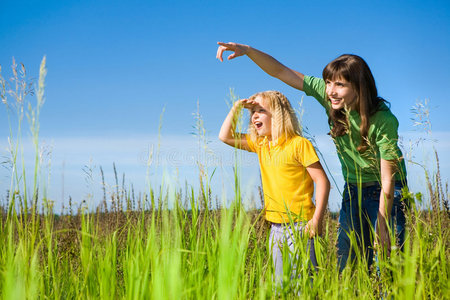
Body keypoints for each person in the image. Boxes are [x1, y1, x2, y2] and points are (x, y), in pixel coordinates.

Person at [216, 42, 408, 272]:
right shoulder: (329, 98)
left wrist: (383, 225)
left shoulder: (383, 120)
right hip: (353, 187)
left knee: (386, 262)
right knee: (346, 264)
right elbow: (281, 71)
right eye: (328, 83)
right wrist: (247, 51)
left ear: (360, 87)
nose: (330, 91)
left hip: (386, 190)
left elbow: (388, 179)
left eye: (340, 85)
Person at [219, 90, 330, 288]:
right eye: (252, 111)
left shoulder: (299, 144)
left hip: (301, 226)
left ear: (277, 115)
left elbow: (322, 181)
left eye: (261, 110)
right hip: (276, 229)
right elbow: (225, 136)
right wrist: (236, 108)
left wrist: (316, 220)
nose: (254, 116)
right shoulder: (261, 145)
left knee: (304, 288)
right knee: (280, 287)